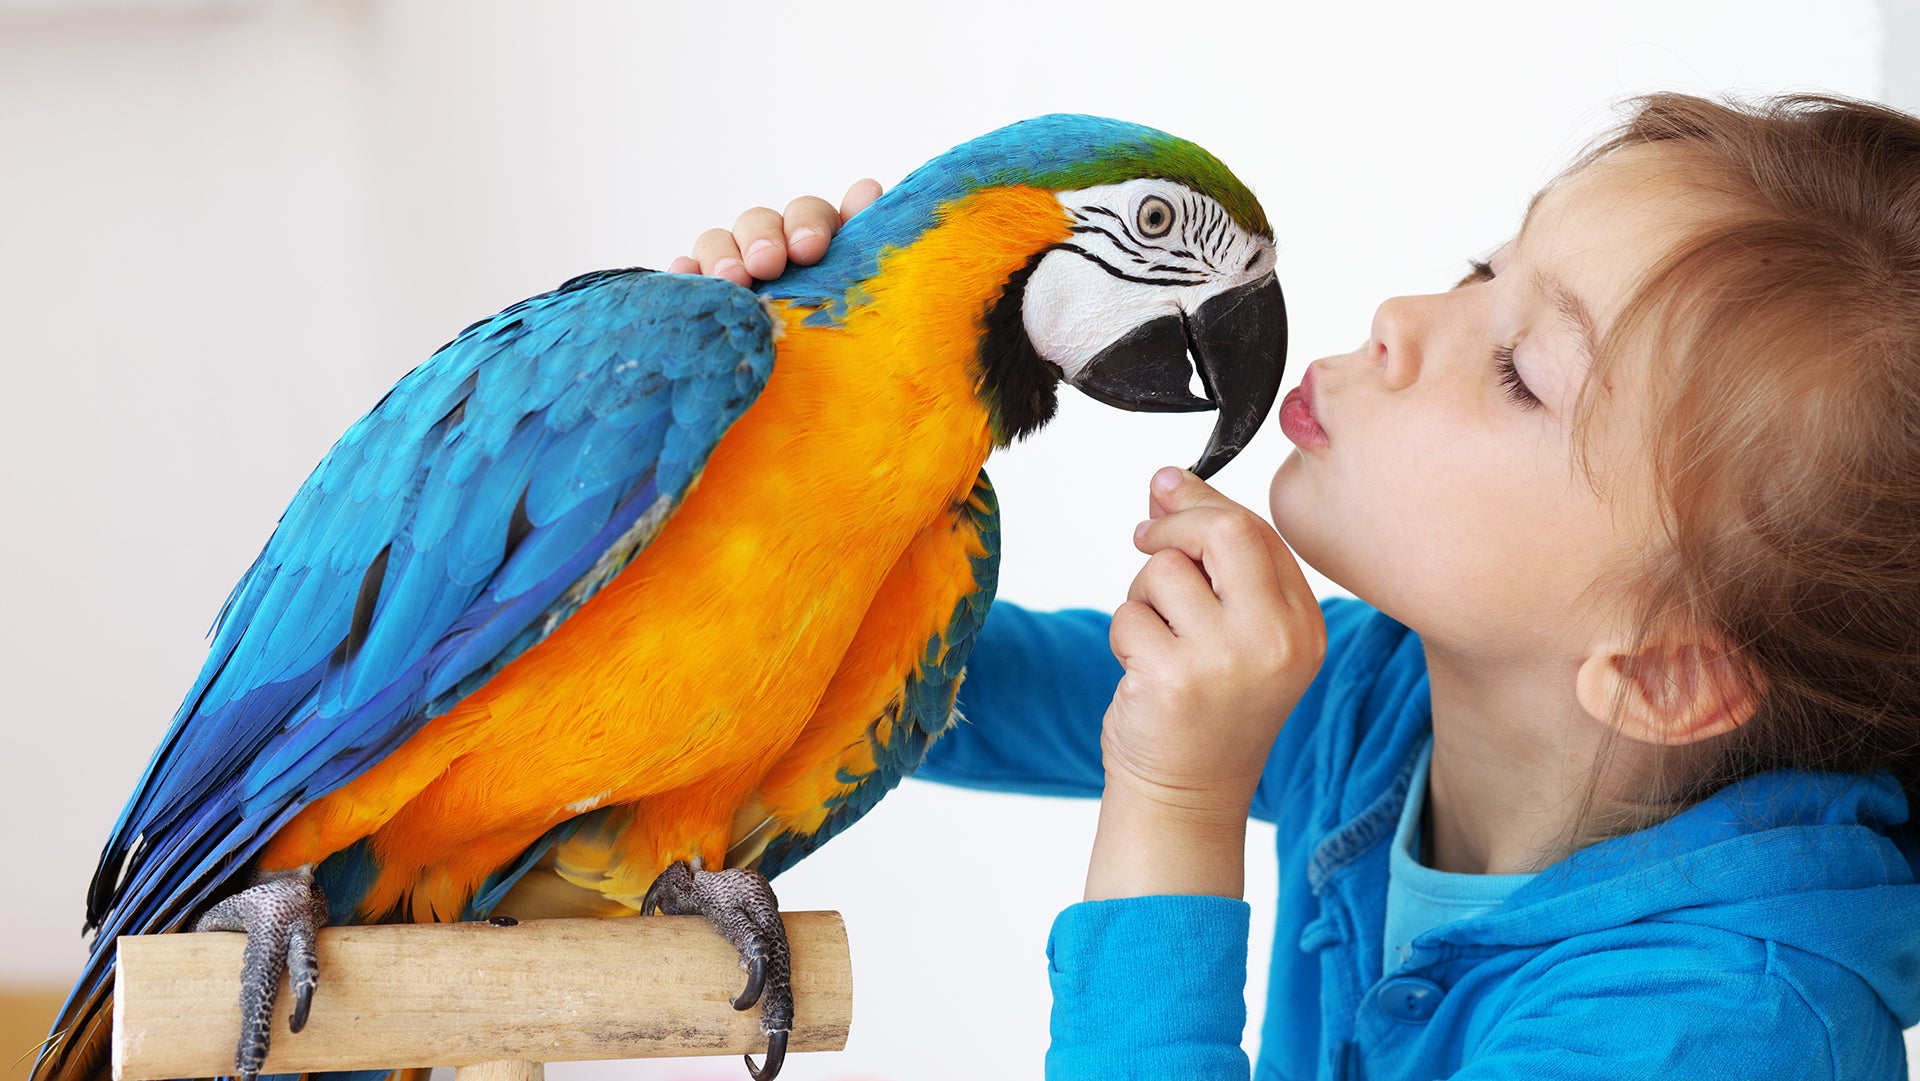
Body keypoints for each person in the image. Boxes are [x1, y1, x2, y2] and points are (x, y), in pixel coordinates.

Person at [674, 93, 1920, 1079]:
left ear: (1662, 670)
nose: (1398, 318)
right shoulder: (1377, 703)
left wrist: (1177, 796)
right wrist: (780, 430)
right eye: (1483, 268)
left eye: (1523, 373)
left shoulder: (1722, 1035)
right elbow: (934, 685)